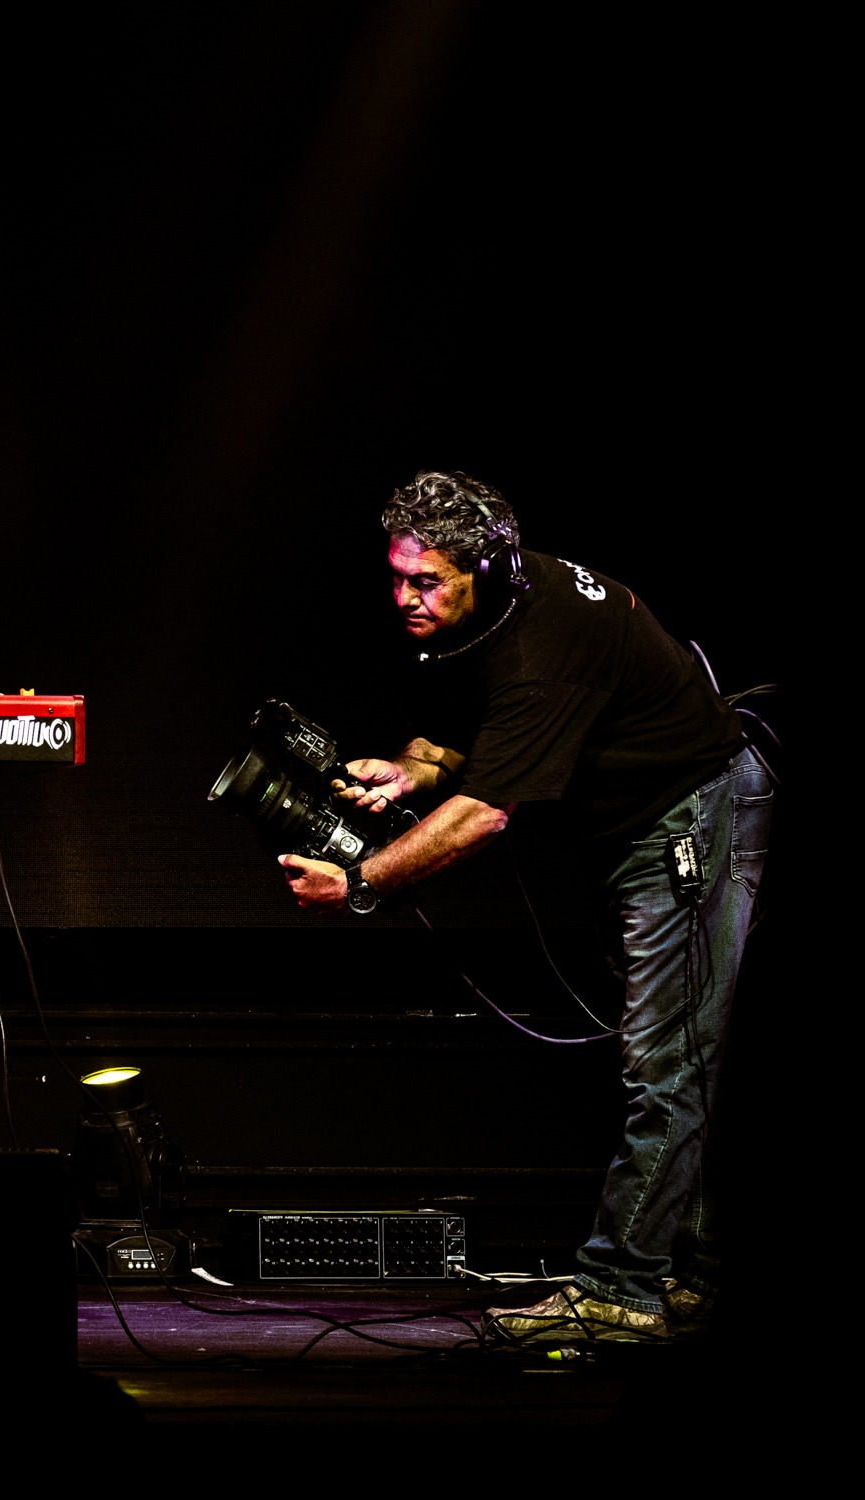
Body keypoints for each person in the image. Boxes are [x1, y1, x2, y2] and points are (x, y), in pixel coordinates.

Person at [279, 471, 770, 1344]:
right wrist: (416, 770)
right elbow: (487, 741)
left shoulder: (544, 642)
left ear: (485, 567)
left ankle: (621, 1290)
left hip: (690, 822)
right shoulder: (502, 606)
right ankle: (690, 1272)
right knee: (684, 1061)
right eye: (396, 576)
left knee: (669, 1065)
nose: (405, 598)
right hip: (645, 828)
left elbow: (484, 814)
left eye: (426, 581)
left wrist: (360, 886)